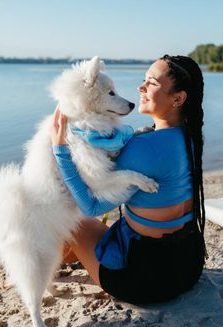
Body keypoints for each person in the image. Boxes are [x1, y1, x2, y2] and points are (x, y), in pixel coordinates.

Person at [50, 55, 206, 304]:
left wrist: (61, 151)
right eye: (143, 80)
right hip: (188, 266)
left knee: (76, 222)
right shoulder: (190, 139)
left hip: (144, 279)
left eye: (151, 83)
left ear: (178, 98)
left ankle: (41, 268)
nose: (140, 87)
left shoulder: (141, 148)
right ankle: (56, 261)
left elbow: (90, 207)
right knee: (101, 229)